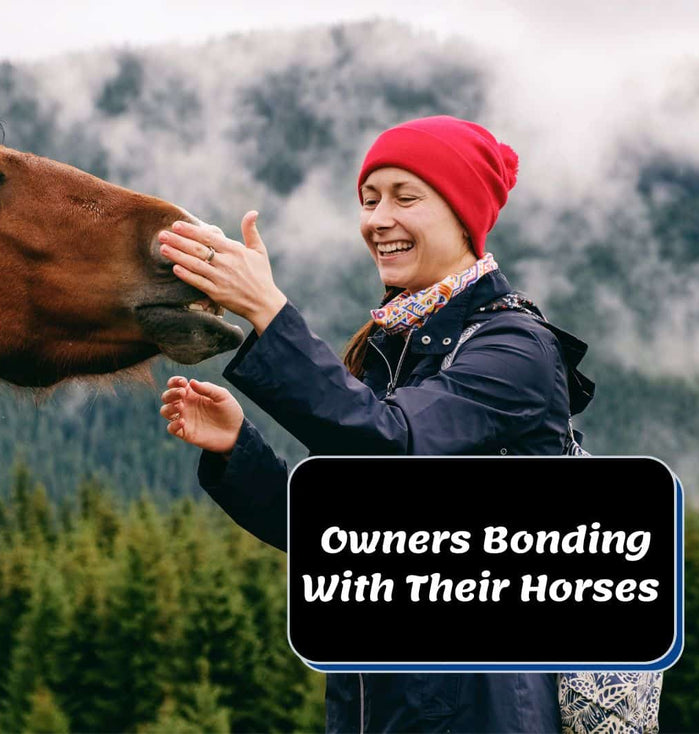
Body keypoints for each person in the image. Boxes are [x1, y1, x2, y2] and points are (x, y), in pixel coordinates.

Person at [157, 116, 589, 732]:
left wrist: (266, 309)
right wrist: (237, 448)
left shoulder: (514, 349)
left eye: (405, 197)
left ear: (464, 214)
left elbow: (395, 444)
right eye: (369, 200)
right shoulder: (396, 345)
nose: (377, 219)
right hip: (379, 705)